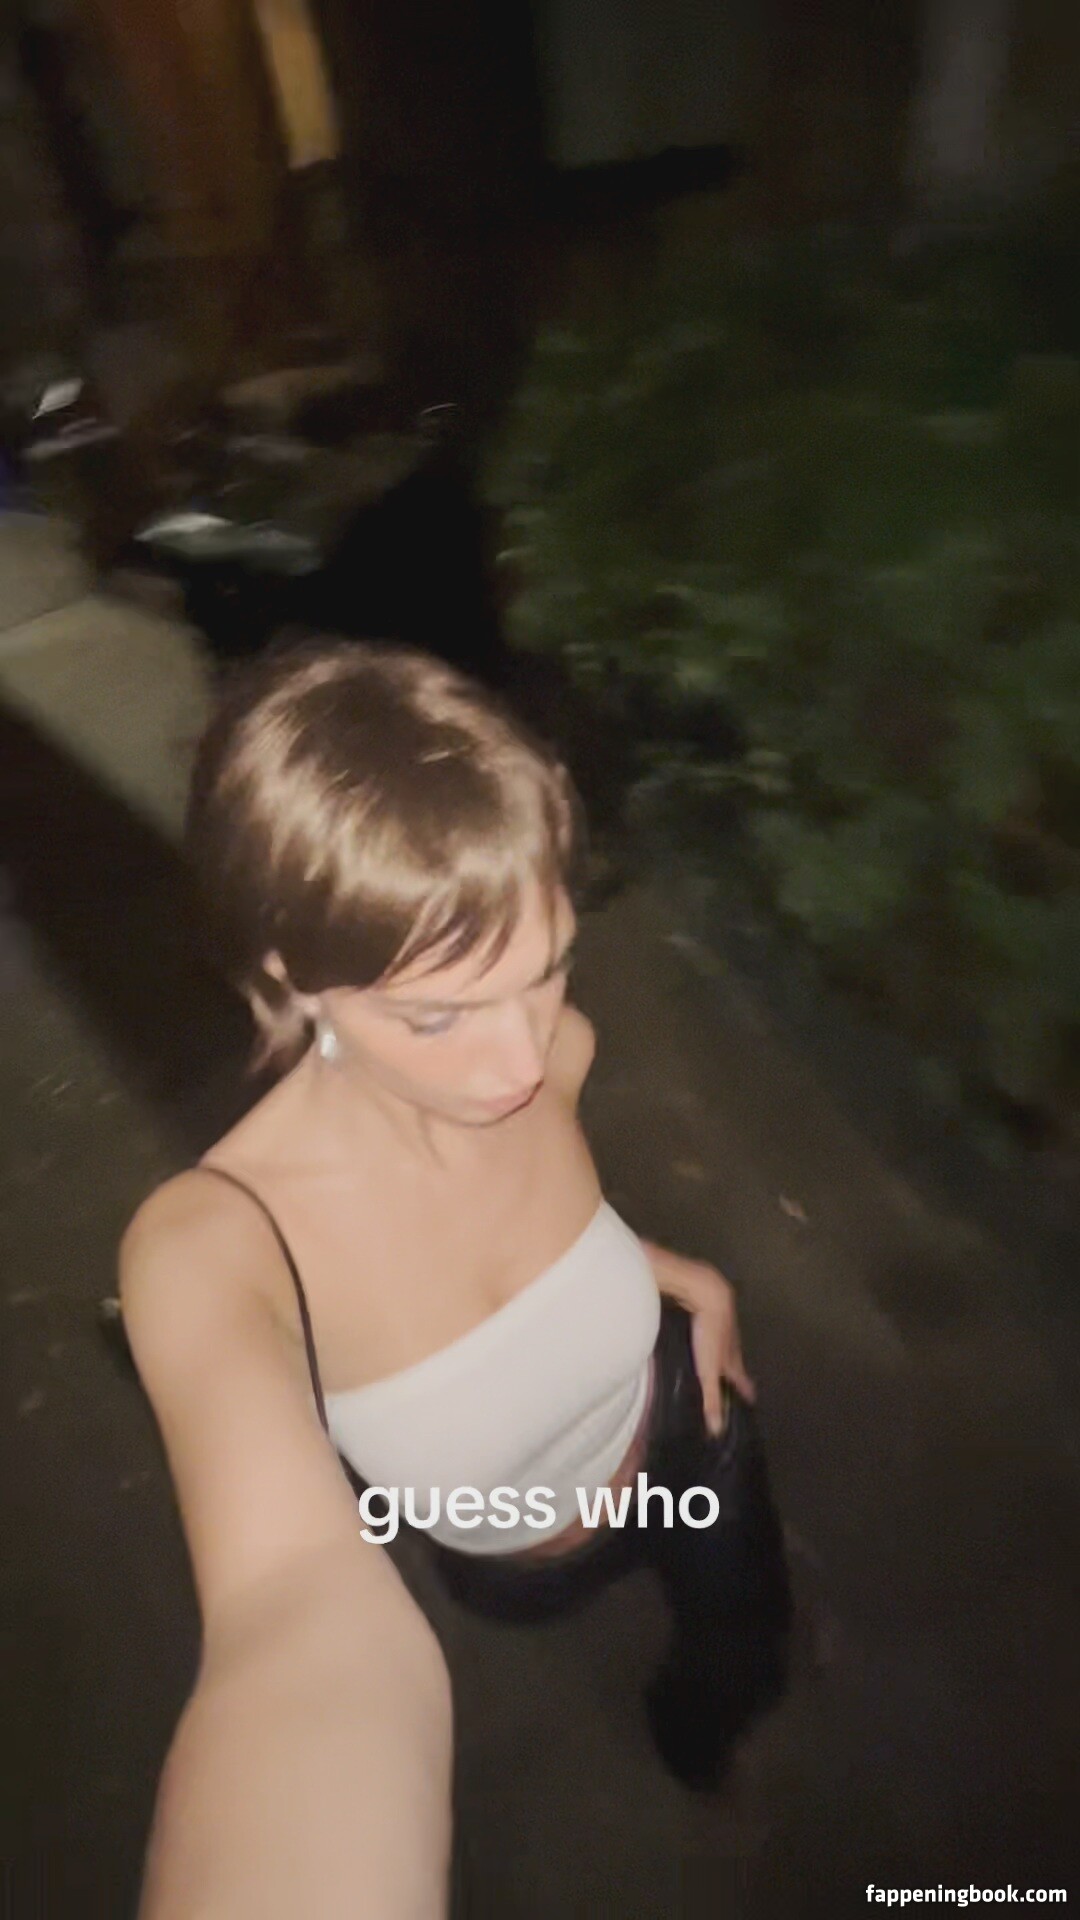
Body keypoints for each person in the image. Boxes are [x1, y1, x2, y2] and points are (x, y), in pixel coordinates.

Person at [121, 637, 791, 1908]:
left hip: (694, 1428)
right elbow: (295, 1613)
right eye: (437, 1016)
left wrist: (667, 1271)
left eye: (547, 970)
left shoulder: (556, 1050)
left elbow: (547, 1211)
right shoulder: (220, 1246)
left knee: (742, 1642)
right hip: (521, 1565)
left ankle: (706, 1737)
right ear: (293, 976)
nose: (519, 1061)